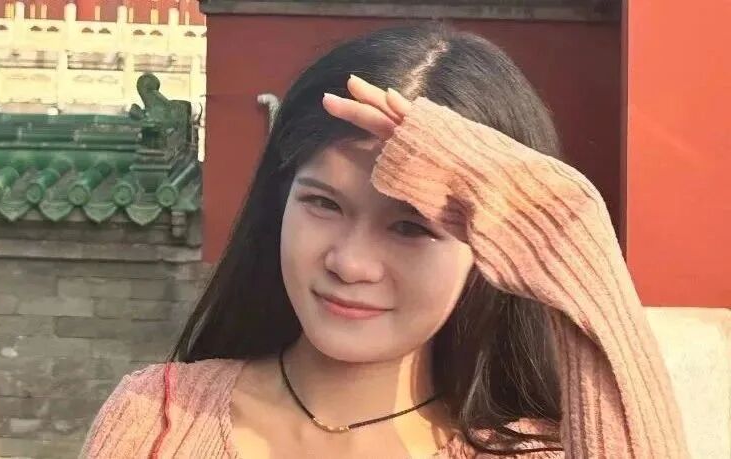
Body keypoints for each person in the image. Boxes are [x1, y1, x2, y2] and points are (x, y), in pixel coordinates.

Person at [81, 23, 687, 458]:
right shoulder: (156, 422)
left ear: (485, 254)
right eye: (323, 203)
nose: (350, 262)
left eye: (411, 226)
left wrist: (573, 234)